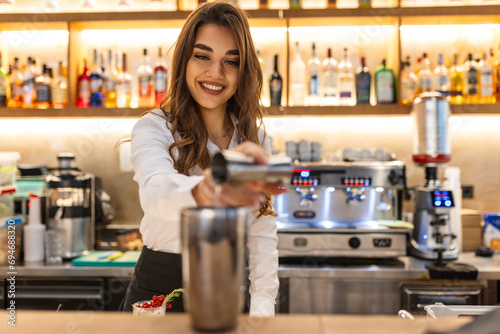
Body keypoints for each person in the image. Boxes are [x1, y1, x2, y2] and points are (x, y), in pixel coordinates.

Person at [121, 0, 285, 317]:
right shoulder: (154, 127)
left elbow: (263, 232)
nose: (216, 73)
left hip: (224, 287)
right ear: (185, 60)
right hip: (159, 292)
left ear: (244, 71)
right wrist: (207, 189)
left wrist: (263, 306)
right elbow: (154, 192)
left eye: (231, 62)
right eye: (202, 56)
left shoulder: (258, 139)